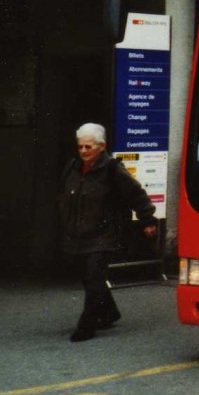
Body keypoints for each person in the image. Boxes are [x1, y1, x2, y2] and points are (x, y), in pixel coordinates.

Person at [58, 123, 157, 343]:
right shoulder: (72, 166)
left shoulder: (112, 169)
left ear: (101, 146)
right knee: (87, 276)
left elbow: (136, 194)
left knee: (94, 276)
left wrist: (147, 220)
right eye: (80, 146)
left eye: (88, 147)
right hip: (78, 233)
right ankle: (109, 312)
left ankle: (87, 325)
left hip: (104, 234)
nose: (83, 151)